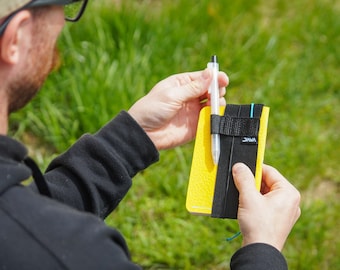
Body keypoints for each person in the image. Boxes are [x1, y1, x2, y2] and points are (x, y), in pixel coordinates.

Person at [0, 0, 301, 269]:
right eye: (63, 7)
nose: (62, 26)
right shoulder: (82, 256)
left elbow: (29, 215)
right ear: (16, 37)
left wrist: (128, 141)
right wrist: (264, 249)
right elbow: (37, 231)